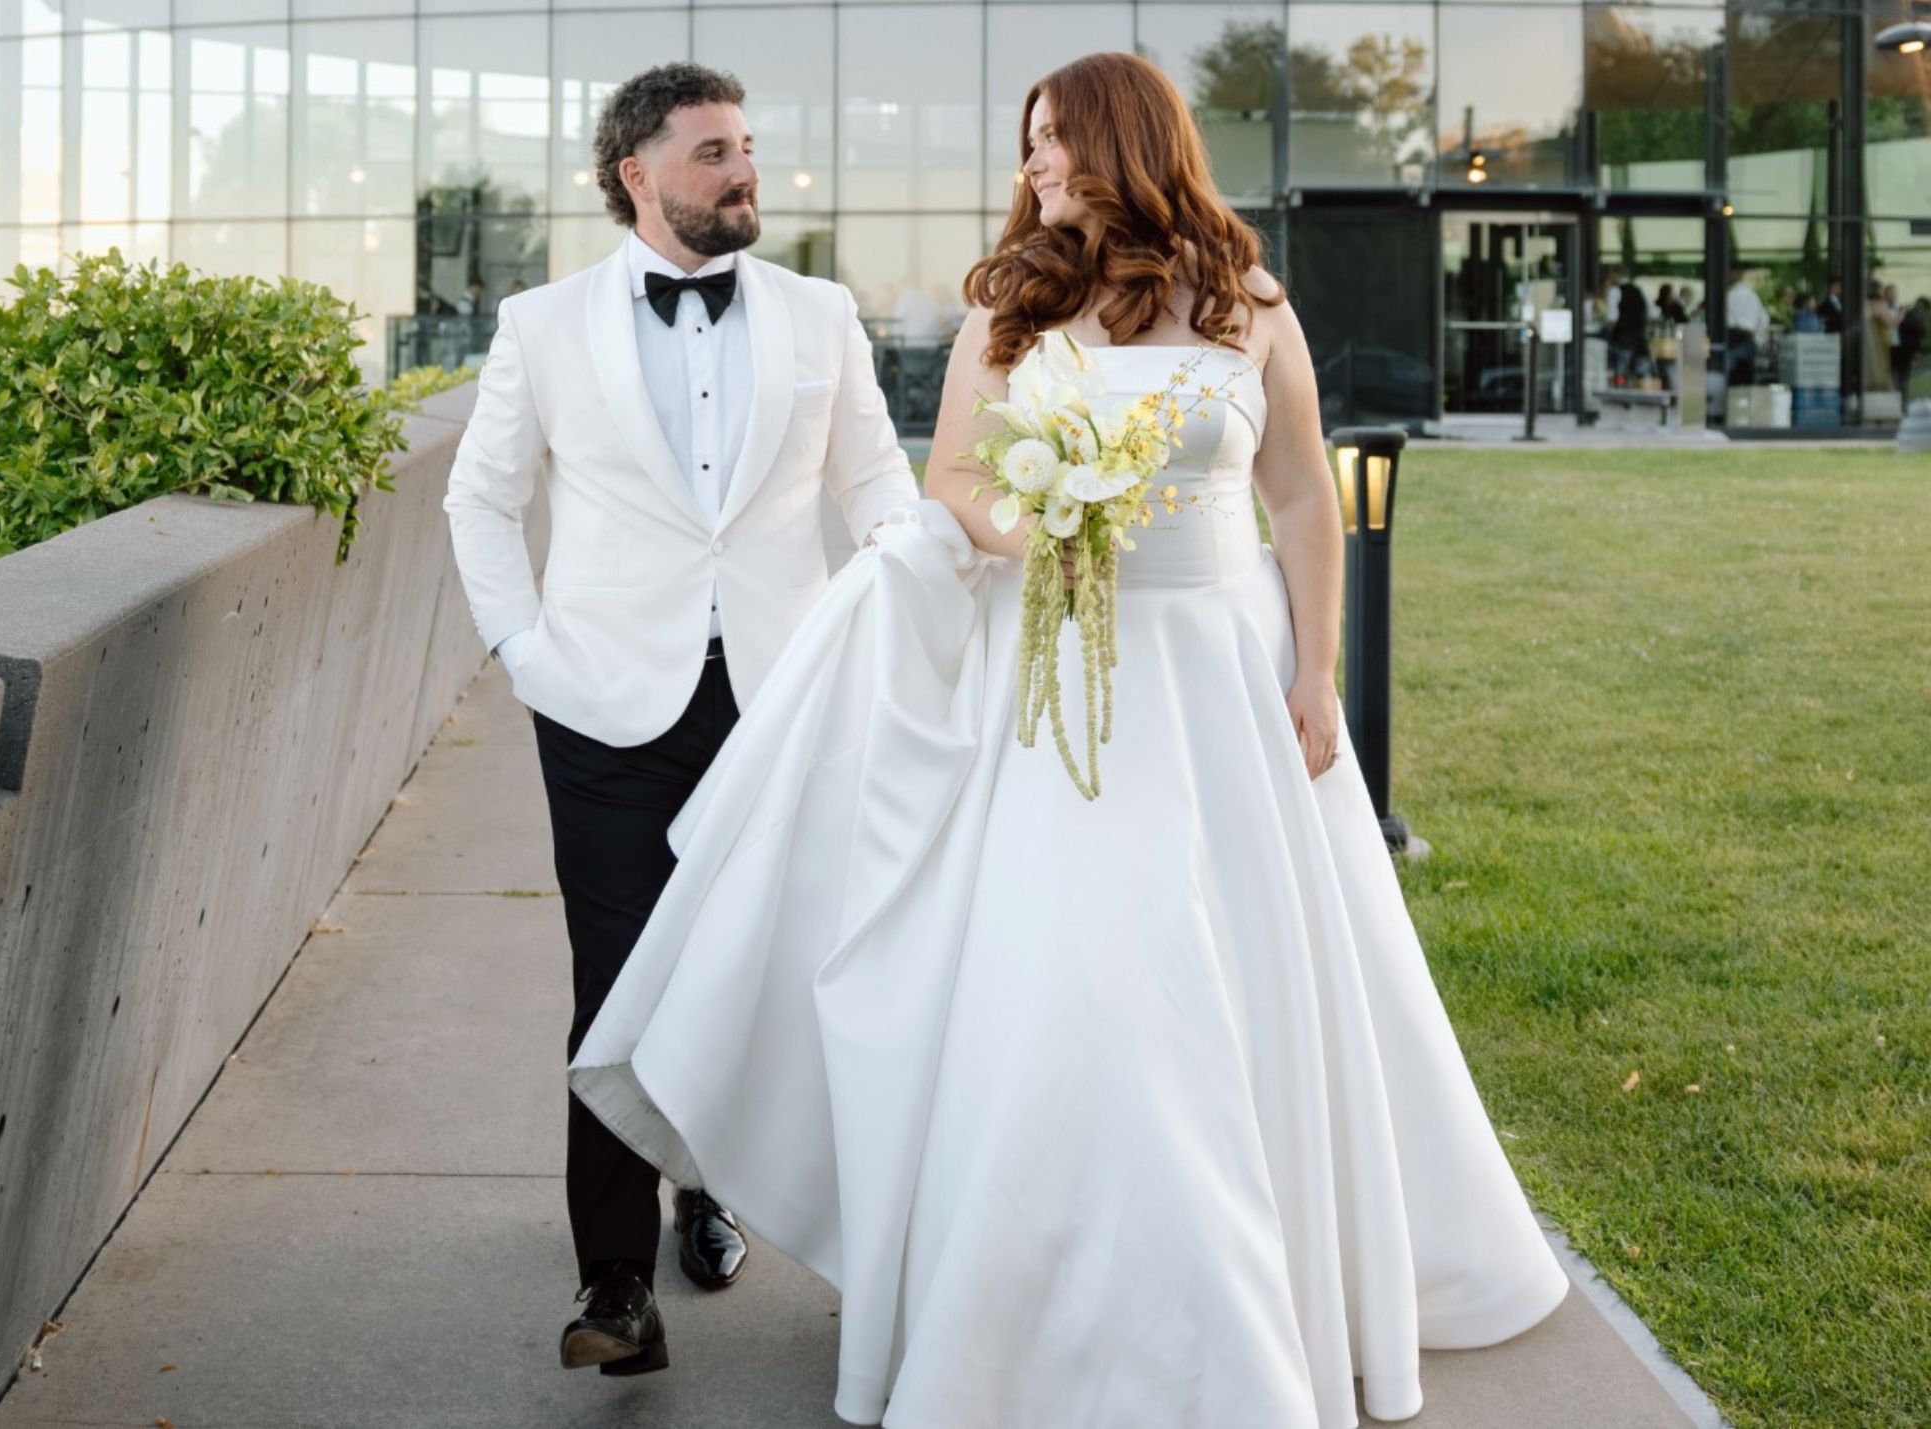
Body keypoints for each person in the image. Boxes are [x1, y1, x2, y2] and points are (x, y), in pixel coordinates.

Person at [570, 50, 1567, 1427]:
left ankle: (1246, 1300)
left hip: (1222, 679)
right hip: (1059, 699)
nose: (1035, 167)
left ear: (1128, 144)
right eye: (1027, 144)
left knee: (1232, 980)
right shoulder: (1011, 311)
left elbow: (1297, 501)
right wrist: (1037, 524)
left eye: (1056, 142)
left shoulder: (1248, 302)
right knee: (1083, 981)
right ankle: (1041, 1307)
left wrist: (1320, 673)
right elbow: (956, 484)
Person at [442, 62, 918, 1375]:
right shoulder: (541, 326)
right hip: (599, 705)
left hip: (788, 702)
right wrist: (526, 651)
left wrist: (903, 601)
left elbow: (880, 487)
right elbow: (479, 502)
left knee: (778, 969)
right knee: (618, 984)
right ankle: (616, 1280)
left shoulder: (823, 315)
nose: (744, 170)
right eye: (713, 152)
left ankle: (711, 1191)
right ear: (637, 175)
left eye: (748, 146)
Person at [1727, 269, 1770, 385]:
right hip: (1748, 339)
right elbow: (1764, 320)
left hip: (1732, 338)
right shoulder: (1753, 296)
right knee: (1747, 379)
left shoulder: (1729, 296)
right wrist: (1758, 339)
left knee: (1731, 379)